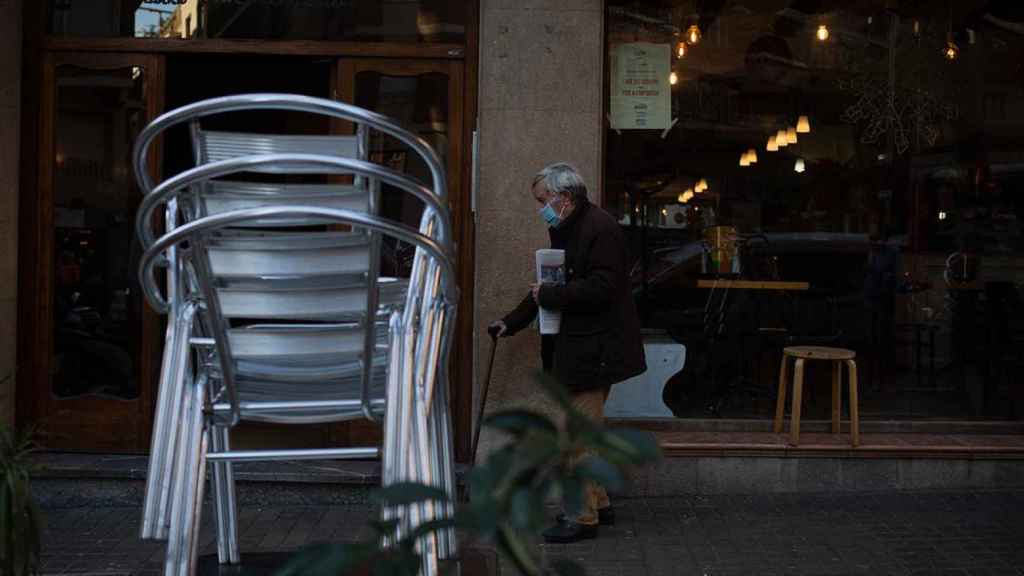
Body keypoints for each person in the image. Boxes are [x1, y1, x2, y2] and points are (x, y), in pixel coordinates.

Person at [489, 162, 646, 543]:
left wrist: (552, 295)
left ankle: (581, 516)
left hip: (595, 348)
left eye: (544, 200)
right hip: (585, 346)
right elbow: (548, 286)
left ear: (566, 197)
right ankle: (600, 504)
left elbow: (603, 287)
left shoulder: (599, 229)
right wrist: (512, 321)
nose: (540, 207)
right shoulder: (569, 226)